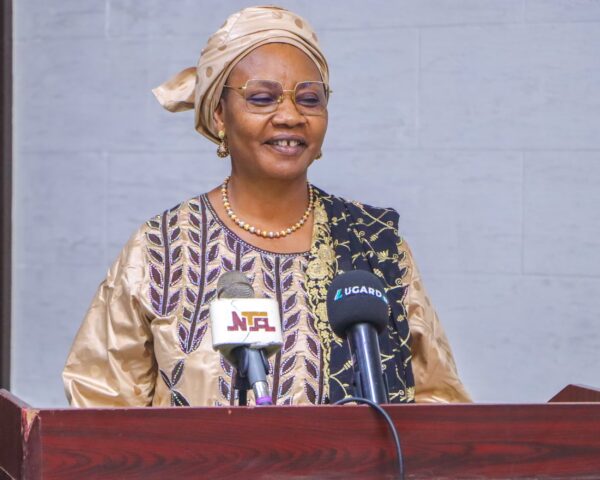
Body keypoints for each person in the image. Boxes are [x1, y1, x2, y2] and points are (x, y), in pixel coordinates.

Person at [63, 5, 470, 407]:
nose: (290, 115)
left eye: (309, 99)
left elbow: (439, 400)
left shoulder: (374, 244)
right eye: (261, 98)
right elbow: (101, 407)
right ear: (219, 115)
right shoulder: (160, 249)